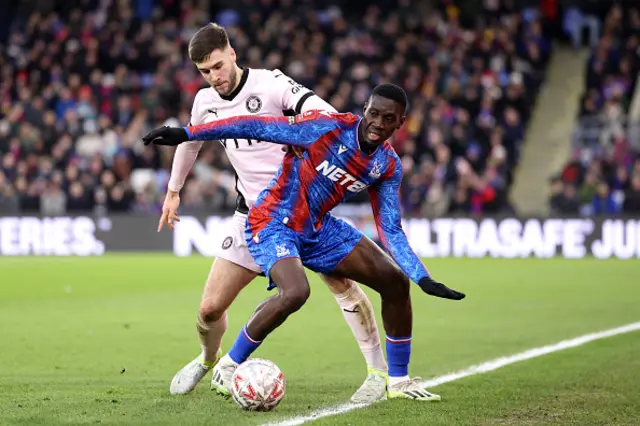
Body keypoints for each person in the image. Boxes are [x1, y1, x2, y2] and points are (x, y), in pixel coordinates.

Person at [144, 83, 466, 400]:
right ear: (364, 110)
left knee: (395, 281)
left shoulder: (387, 165)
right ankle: (228, 364)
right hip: (272, 220)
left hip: (317, 228)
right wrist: (188, 133)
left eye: (388, 118)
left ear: (400, 122)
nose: (378, 124)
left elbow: (391, 229)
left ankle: (397, 381)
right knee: (296, 292)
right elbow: (255, 125)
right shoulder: (326, 128)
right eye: (373, 113)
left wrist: (422, 277)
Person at [164, 23, 389, 403]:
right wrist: (173, 191)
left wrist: (302, 134)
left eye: (218, 66)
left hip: (300, 211)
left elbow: (325, 113)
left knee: (341, 283)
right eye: (205, 71)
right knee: (209, 309)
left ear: (232, 52)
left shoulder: (270, 84)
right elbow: (191, 143)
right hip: (252, 216)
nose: (214, 77)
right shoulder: (205, 102)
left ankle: (377, 374)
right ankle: (210, 360)